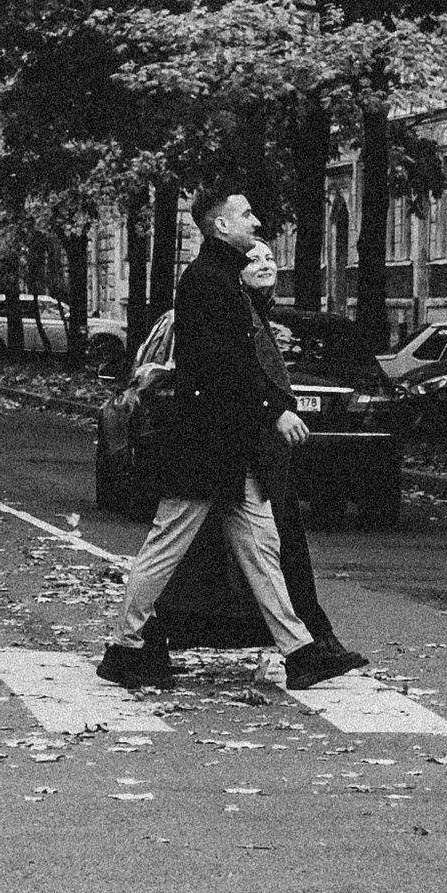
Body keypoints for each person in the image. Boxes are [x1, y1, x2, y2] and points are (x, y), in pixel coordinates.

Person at [99, 190, 359, 693]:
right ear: (219, 225)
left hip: (228, 441)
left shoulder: (222, 278)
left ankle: (300, 651)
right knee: (167, 544)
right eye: (245, 215)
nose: (256, 220)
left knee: (262, 546)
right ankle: (125, 647)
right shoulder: (208, 281)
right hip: (204, 442)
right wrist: (275, 410)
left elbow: (241, 358)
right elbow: (227, 365)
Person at [234, 238, 361, 661]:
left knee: (276, 546)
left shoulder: (262, 314)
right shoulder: (241, 313)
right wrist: (274, 412)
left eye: (270, 257)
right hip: (248, 448)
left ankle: (310, 640)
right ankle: (310, 642)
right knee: (271, 546)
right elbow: (243, 374)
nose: (265, 264)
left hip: (263, 451)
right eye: (254, 259)